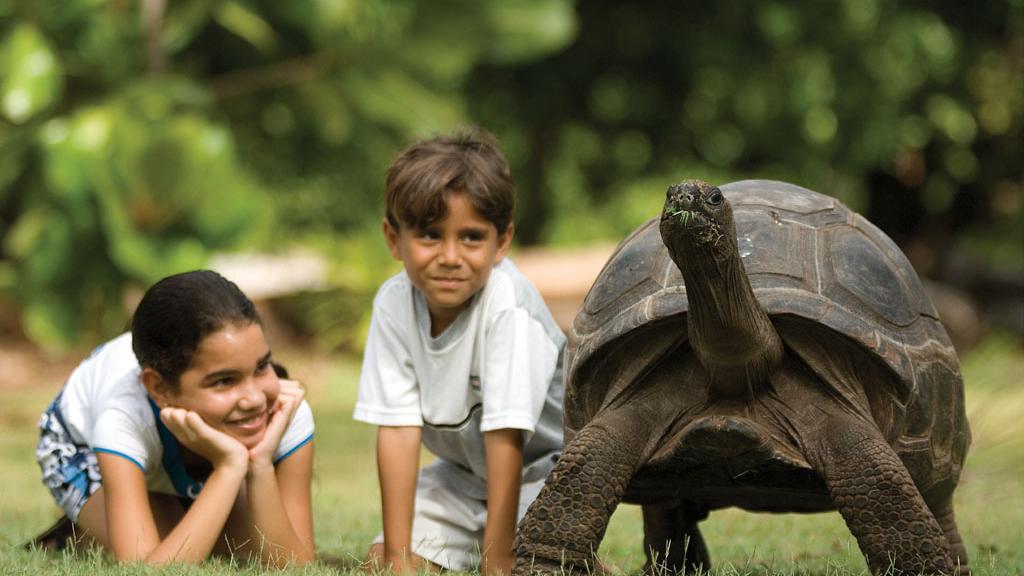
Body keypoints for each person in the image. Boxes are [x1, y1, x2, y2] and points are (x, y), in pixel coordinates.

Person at [354, 130, 565, 575]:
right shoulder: (393, 304)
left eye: (471, 237)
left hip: (547, 474)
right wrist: (397, 561)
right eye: (430, 235)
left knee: (540, 566)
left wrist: (498, 559)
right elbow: (396, 429)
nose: (450, 256)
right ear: (394, 239)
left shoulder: (508, 304)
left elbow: (506, 432)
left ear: (501, 242)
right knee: (380, 563)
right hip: (464, 476)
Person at [31, 270, 315, 566]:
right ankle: (85, 527)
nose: (255, 399)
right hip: (80, 447)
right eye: (224, 381)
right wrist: (230, 467)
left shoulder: (284, 408)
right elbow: (146, 570)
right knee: (190, 548)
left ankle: (146, 510)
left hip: (166, 448)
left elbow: (297, 564)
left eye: (262, 366)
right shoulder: (122, 416)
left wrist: (260, 464)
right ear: (158, 386)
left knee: (242, 548)